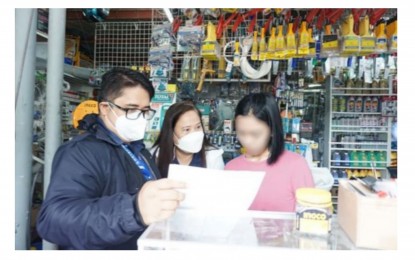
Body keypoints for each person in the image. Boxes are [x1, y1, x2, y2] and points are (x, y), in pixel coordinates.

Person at [36, 68, 186, 250]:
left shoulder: (138, 149)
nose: (140, 118)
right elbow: (53, 220)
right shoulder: (81, 152)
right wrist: (134, 210)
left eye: (145, 111)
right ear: (105, 108)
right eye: (131, 109)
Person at [225, 93, 314, 212]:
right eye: (241, 133)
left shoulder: (296, 166)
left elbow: (311, 216)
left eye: (255, 134)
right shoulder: (231, 168)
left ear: (272, 130)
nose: (247, 141)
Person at [151, 101, 224, 178]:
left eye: (198, 127)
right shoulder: (156, 156)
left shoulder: (212, 157)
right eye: (187, 129)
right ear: (171, 133)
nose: (194, 134)